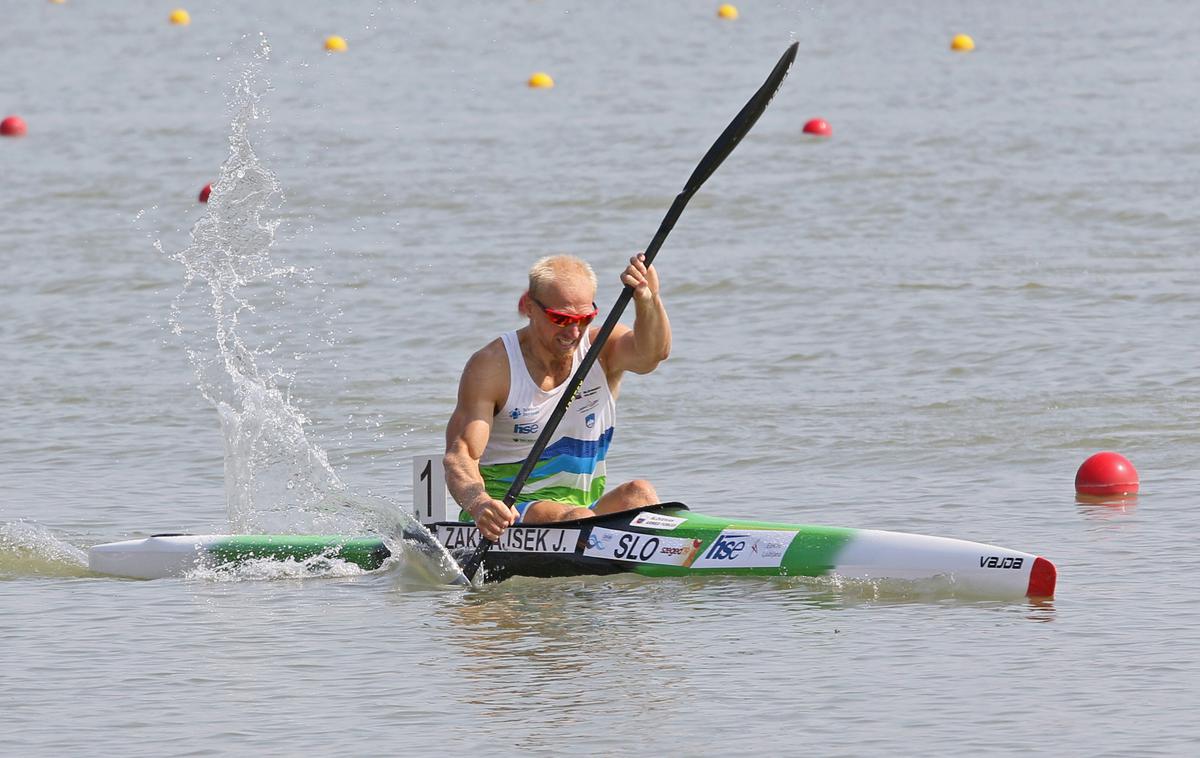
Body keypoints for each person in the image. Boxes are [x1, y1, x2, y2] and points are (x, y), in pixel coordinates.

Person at [444, 253, 671, 541]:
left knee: (641, 495)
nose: (574, 332)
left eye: (584, 318)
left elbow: (653, 355)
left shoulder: (601, 351)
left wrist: (647, 300)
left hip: (582, 513)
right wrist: (479, 504)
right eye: (561, 319)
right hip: (505, 518)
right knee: (579, 519)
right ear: (529, 307)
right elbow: (459, 455)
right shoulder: (493, 366)